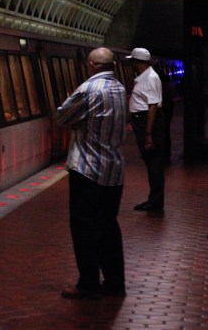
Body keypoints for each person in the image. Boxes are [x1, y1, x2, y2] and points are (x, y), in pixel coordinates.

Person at [56, 47, 127, 300]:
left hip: (87, 169)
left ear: (91, 65)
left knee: (84, 228)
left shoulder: (88, 90)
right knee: (109, 227)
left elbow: (62, 116)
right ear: (113, 65)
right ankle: (115, 283)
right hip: (114, 170)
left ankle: (88, 283)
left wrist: (78, 122)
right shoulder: (119, 89)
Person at [127, 47, 167, 211]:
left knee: (154, 162)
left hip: (147, 122)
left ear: (137, 62)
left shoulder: (149, 78)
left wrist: (148, 133)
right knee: (152, 162)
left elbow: (152, 107)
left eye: (133, 62)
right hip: (144, 120)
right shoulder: (146, 76)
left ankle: (155, 201)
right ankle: (154, 199)